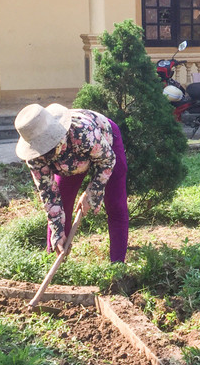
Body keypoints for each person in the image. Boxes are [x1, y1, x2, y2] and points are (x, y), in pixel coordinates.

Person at [14, 103, 129, 262]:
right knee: (62, 204)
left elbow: (107, 161)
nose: (45, 153)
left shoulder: (83, 133)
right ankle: (55, 262)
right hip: (69, 163)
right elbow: (49, 196)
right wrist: (58, 233)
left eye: (48, 147)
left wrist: (91, 194)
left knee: (116, 204)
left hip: (103, 147)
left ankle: (118, 265)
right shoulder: (35, 157)